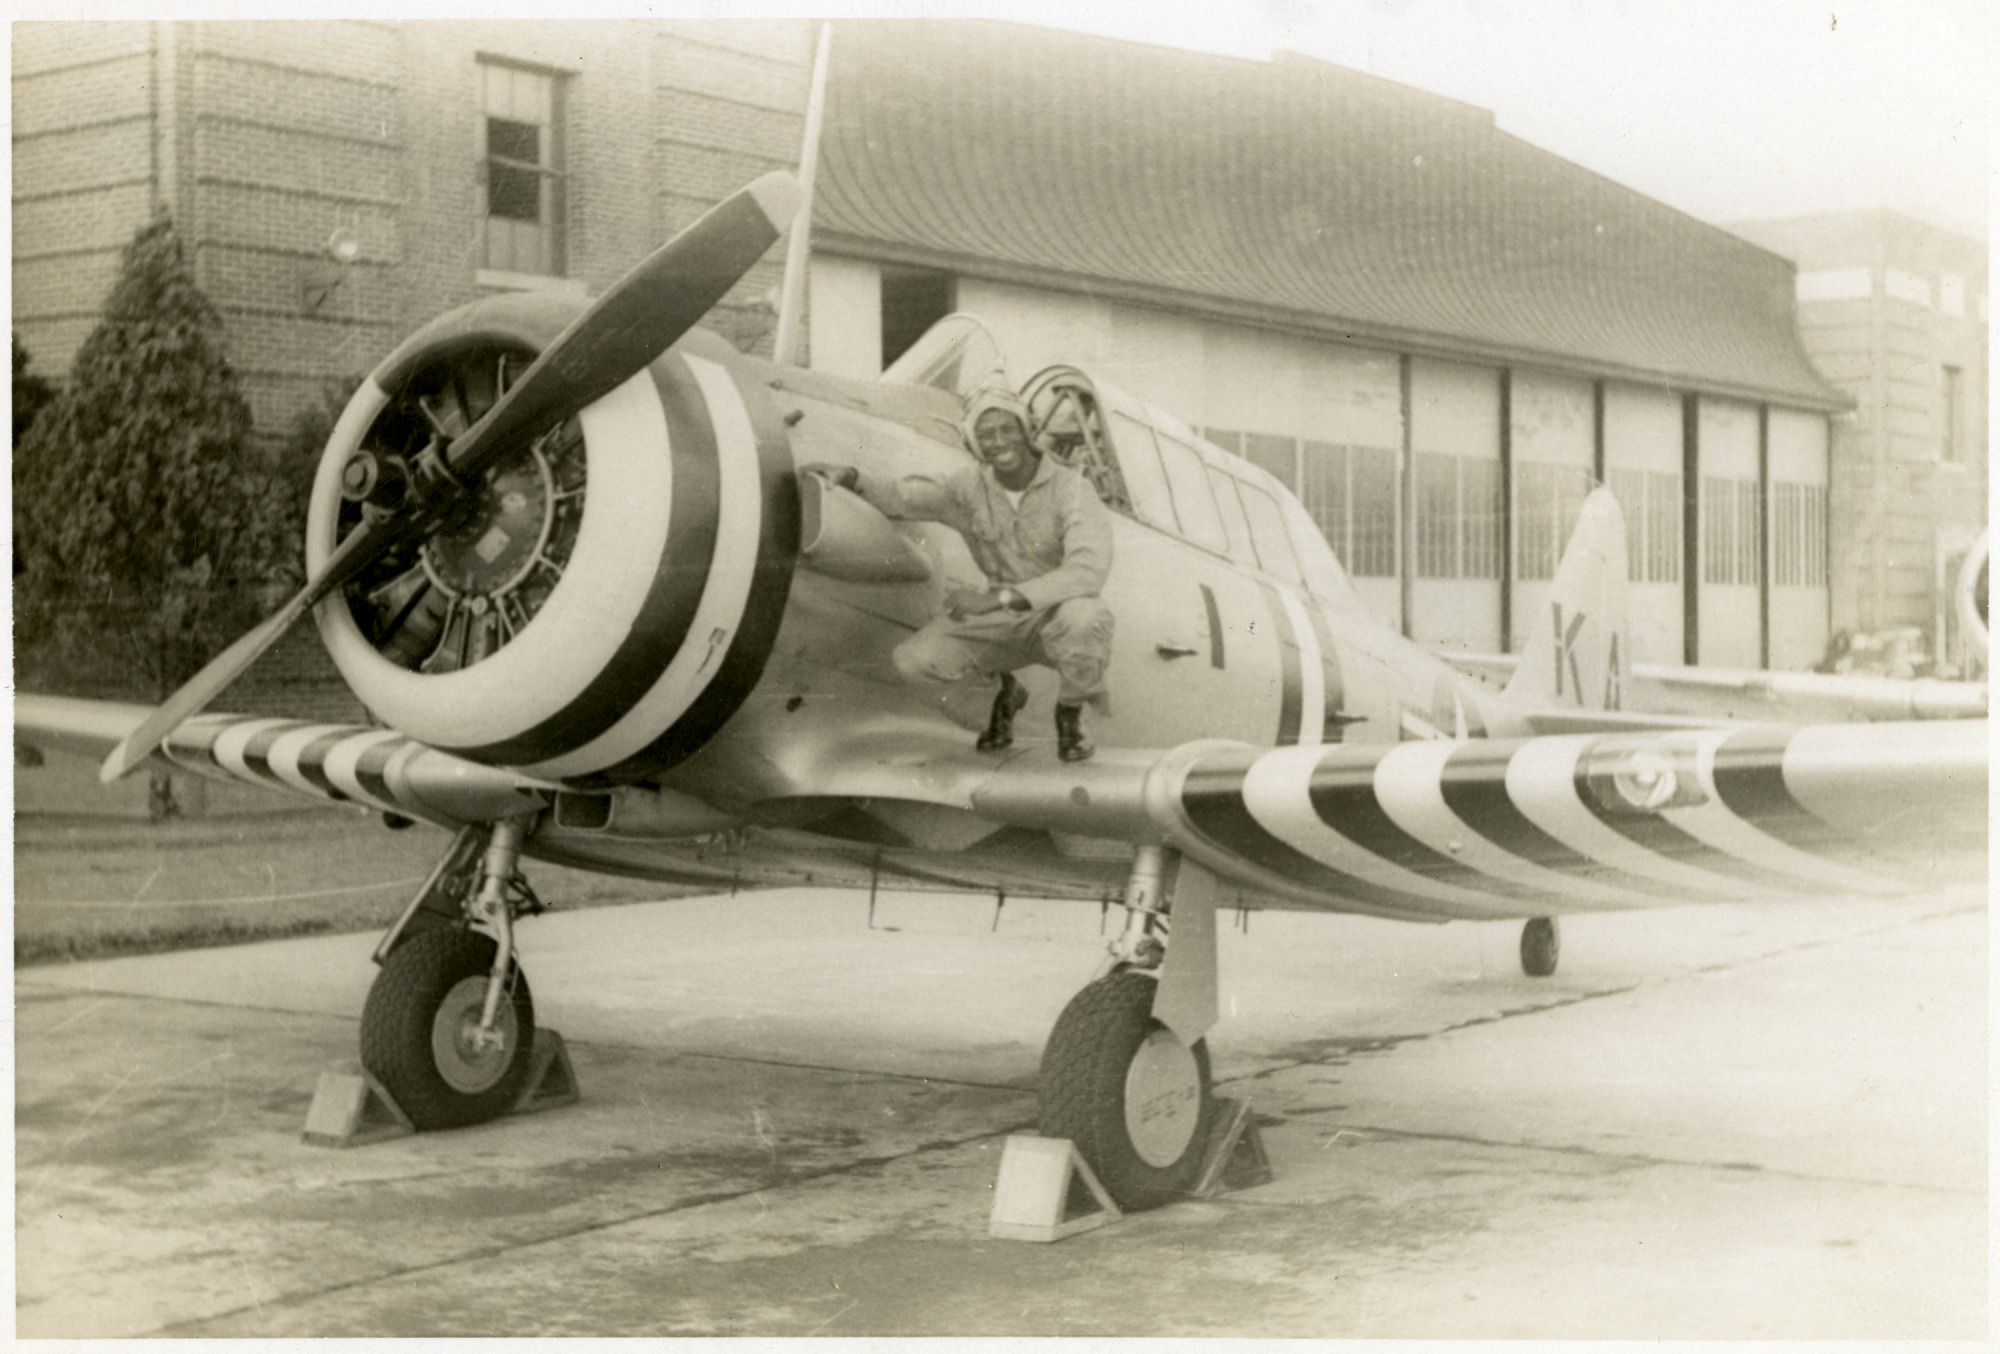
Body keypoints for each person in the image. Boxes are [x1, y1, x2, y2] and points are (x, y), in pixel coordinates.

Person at [804, 387, 1114, 761]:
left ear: (1027, 431)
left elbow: (1086, 572)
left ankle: (1070, 715)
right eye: (986, 435)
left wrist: (994, 599)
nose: (998, 442)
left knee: (1086, 616)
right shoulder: (968, 487)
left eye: (1007, 429)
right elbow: (904, 496)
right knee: (914, 663)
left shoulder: (1073, 490)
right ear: (975, 443)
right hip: (1002, 620)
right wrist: (851, 477)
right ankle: (999, 705)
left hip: (1056, 616)